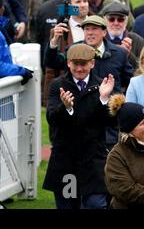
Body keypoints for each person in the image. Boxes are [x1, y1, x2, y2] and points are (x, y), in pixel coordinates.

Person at [43, 44, 116, 209]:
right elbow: (51, 118)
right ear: (68, 63)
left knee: (96, 205)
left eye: (84, 64)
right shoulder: (58, 84)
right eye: (75, 64)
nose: (79, 68)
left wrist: (104, 99)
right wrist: (66, 108)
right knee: (68, 205)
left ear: (92, 63)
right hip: (66, 160)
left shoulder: (102, 85)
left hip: (93, 159)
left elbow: (111, 122)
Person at [102, 2, 144, 70]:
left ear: (126, 21)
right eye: (111, 19)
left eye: (120, 20)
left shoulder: (138, 40)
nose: (116, 23)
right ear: (105, 21)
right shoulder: (100, 39)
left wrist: (128, 54)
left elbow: (141, 68)